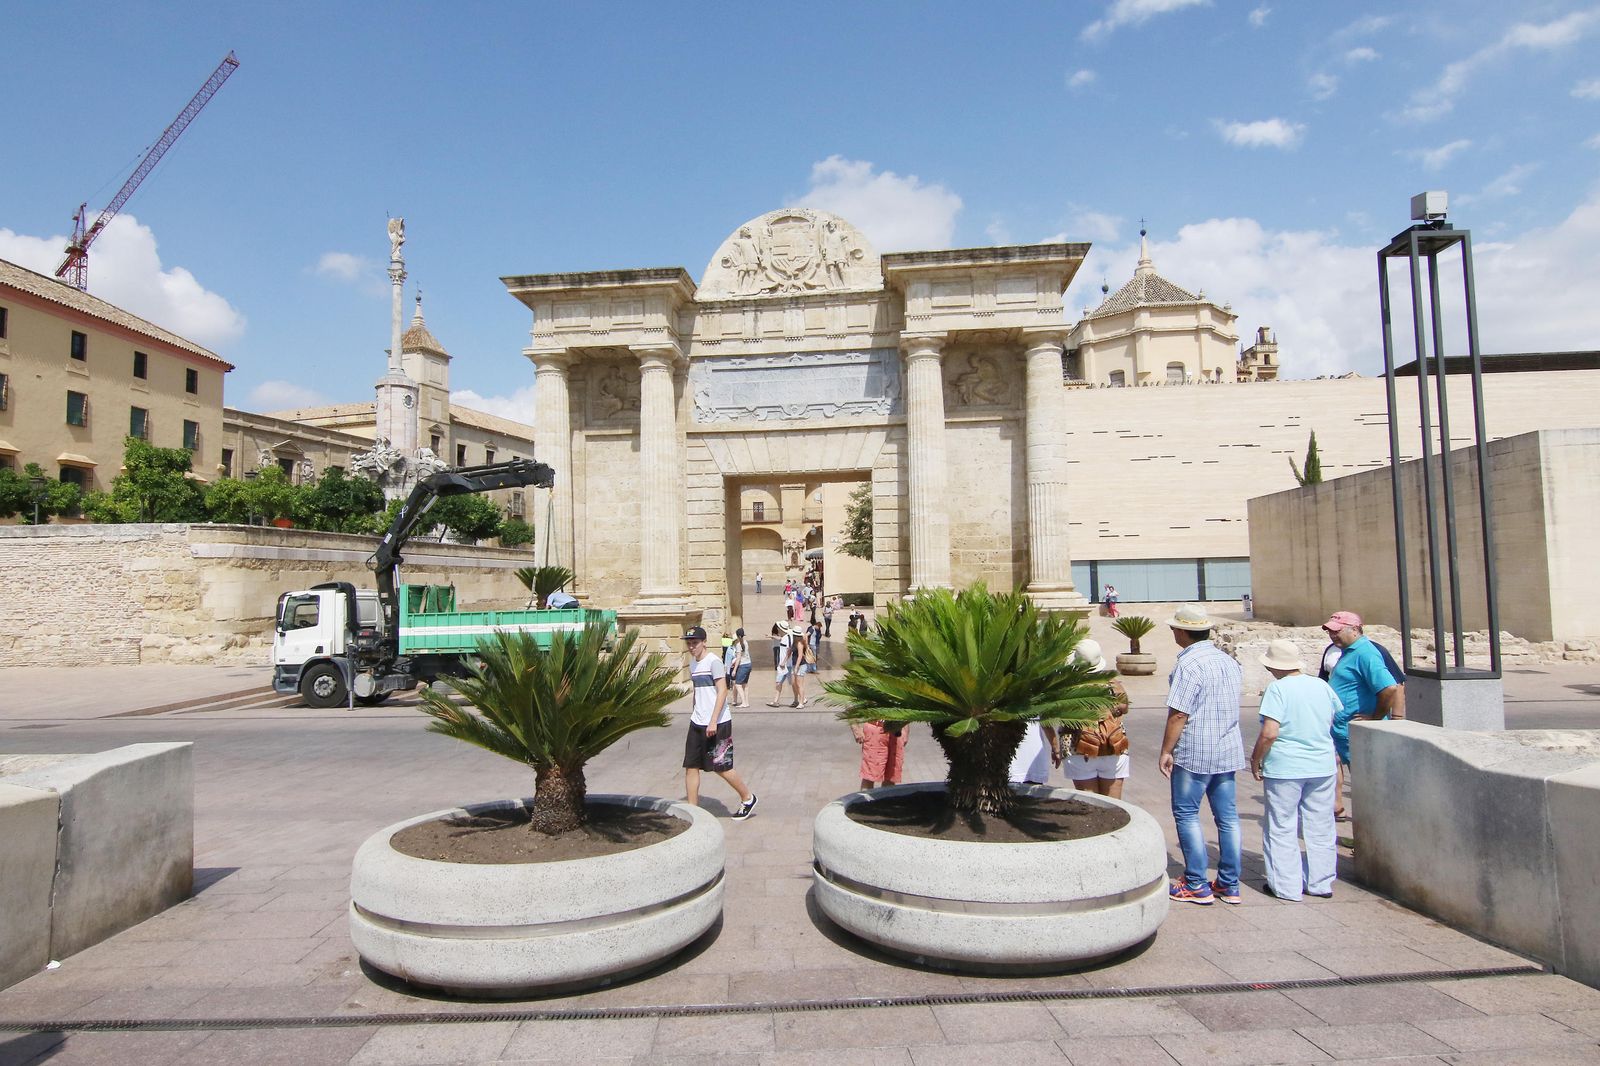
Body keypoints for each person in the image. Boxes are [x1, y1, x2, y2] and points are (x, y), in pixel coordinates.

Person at [1158, 603, 1246, 906]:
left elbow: (1178, 714)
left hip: (1195, 750)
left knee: (1186, 813)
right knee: (1228, 818)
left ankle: (1195, 881)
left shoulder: (1189, 664)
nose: (1172, 632)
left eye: (1174, 628)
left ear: (1183, 631)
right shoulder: (1228, 661)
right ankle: (1229, 883)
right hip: (1227, 748)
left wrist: (1166, 750)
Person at [1249, 639, 1341, 901]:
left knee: (1281, 825)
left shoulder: (1277, 690)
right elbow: (1332, 718)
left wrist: (1256, 760)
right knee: (1320, 825)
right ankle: (1321, 882)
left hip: (1286, 766)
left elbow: (1269, 733)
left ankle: (1286, 887)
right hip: (1321, 764)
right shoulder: (1321, 686)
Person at [1322, 610, 1405, 819]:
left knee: (1369, 789)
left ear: (1355, 630)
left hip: (1357, 736)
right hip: (1345, 733)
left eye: (1337, 631)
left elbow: (1390, 688)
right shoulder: (1349, 651)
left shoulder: (1366, 653)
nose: (1333, 636)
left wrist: (1375, 717)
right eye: (1330, 632)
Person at [681, 627, 758, 820]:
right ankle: (693, 811)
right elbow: (698, 691)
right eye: (689, 643)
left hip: (718, 723)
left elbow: (722, 691)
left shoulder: (713, 662)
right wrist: (695, 711)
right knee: (691, 766)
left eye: (695, 643)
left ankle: (747, 798)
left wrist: (713, 721)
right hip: (697, 722)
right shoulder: (692, 664)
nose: (691, 647)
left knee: (721, 767)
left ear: (704, 642)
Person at [1057, 639, 1131, 799]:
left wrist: (1054, 746)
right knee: (1115, 806)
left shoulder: (1067, 687)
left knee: (1090, 806)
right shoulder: (1112, 683)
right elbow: (1124, 707)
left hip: (1079, 748)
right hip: (1113, 746)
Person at [851, 719, 909, 789]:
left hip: (896, 731)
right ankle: (865, 800)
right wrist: (855, 728)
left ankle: (886, 799)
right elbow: (849, 708)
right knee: (869, 776)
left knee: (891, 777)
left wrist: (906, 728)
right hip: (875, 730)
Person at [725, 627, 751, 709]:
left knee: (738, 684)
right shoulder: (746, 642)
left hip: (743, 665)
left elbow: (739, 658)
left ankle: (743, 702)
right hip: (748, 664)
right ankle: (746, 702)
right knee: (745, 684)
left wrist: (734, 670)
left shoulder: (738, 645)